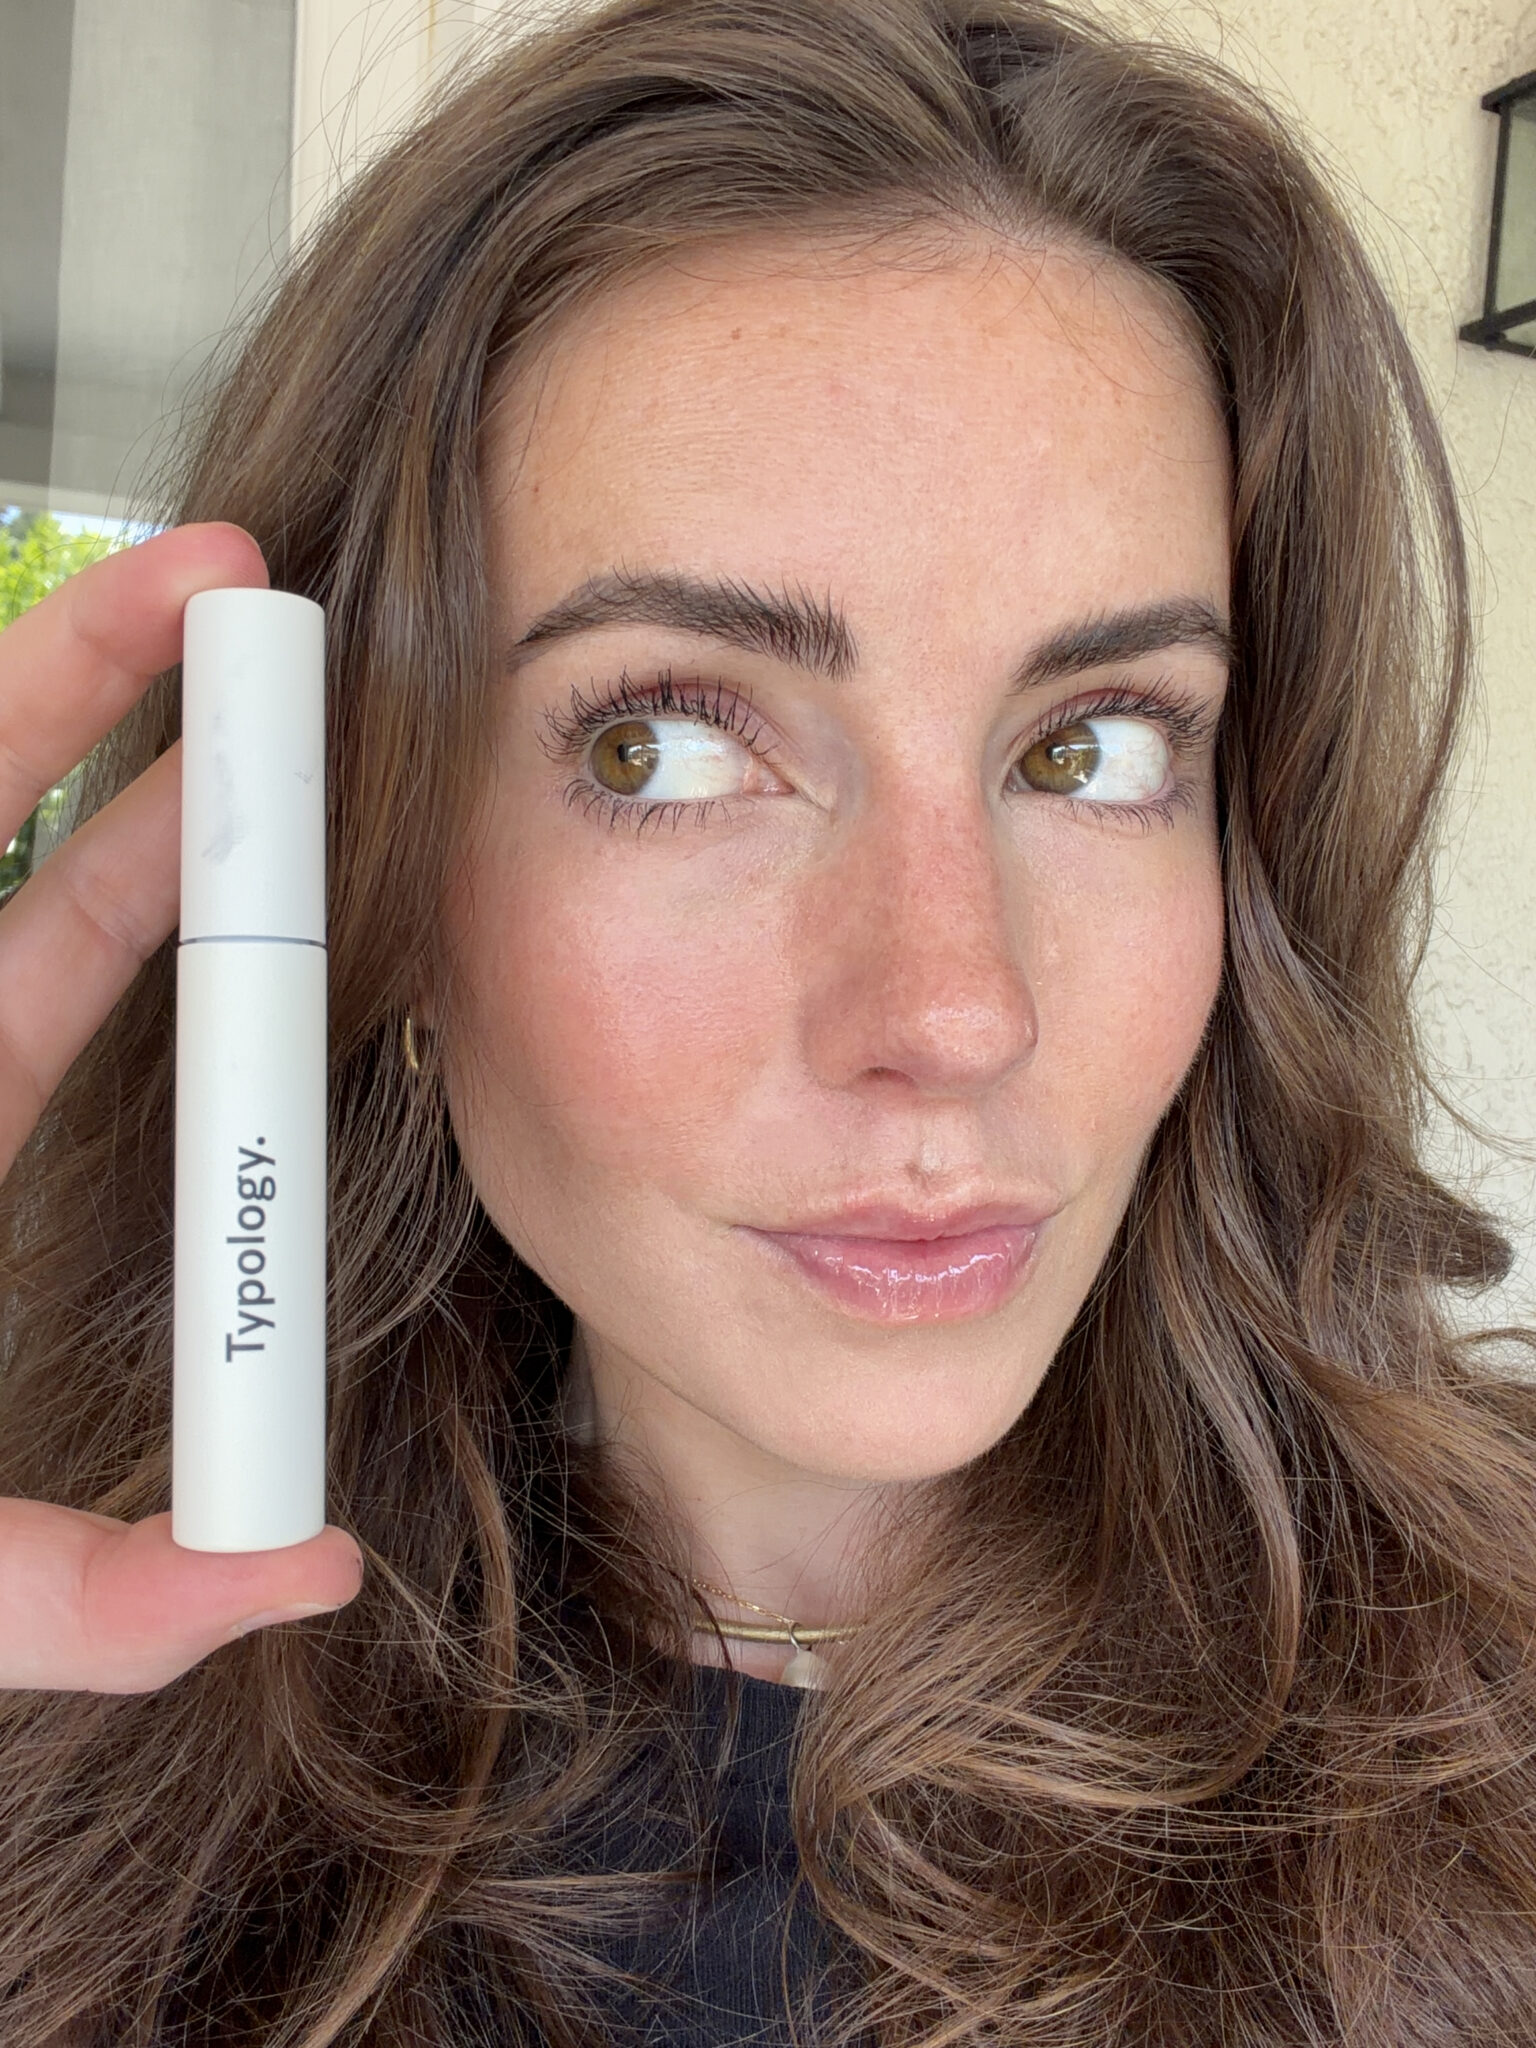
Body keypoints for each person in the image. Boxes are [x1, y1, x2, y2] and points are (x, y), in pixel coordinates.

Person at [1, 0, 1533, 2039]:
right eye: (662, 747)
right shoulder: (73, 1748)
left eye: (1093, 747)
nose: (954, 1011)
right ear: (368, 880)